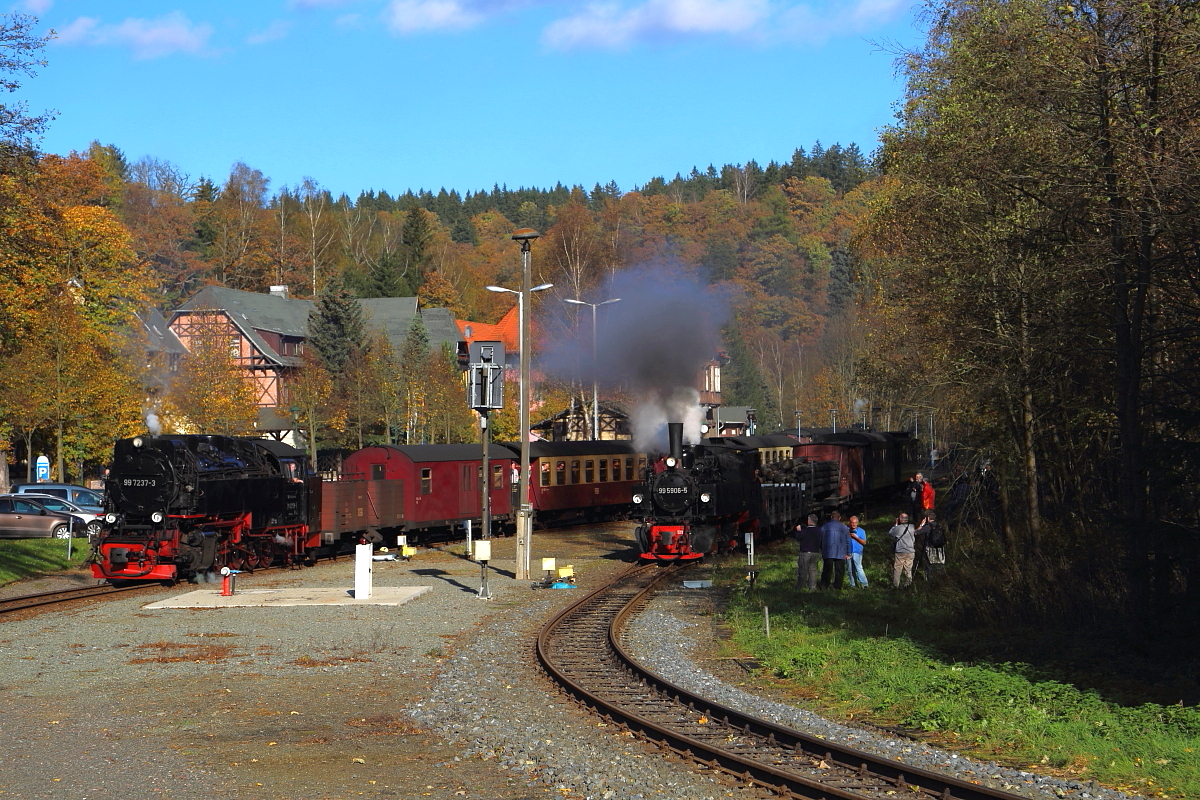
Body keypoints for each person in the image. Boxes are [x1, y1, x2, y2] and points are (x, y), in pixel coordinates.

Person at [819, 510, 850, 589]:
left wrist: (821, 549)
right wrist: (848, 552)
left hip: (828, 551)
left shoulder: (825, 526)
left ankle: (824, 586)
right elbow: (848, 541)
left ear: (831, 517)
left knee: (827, 570)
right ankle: (837, 586)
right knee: (839, 570)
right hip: (840, 552)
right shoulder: (844, 527)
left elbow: (820, 539)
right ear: (839, 518)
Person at [914, 510, 946, 581]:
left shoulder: (927, 527)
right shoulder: (939, 526)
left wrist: (921, 525)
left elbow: (915, 533)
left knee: (929, 564)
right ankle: (940, 581)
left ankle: (930, 580)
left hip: (930, 548)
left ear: (928, 518)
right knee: (939, 564)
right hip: (940, 549)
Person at [793, 514, 822, 591]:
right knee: (812, 571)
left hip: (805, 553)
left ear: (809, 521)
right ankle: (812, 587)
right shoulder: (819, 530)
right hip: (815, 552)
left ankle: (800, 587)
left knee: (802, 570)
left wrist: (798, 530)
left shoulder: (805, 530)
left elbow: (798, 538)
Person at [888, 512, 916, 588]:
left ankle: (896, 585)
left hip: (900, 551)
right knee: (908, 569)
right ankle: (908, 584)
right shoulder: (912, 527)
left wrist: (895, 524)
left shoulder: (898, 528)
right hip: (910, 551)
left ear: (900, 519)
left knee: (897, 569)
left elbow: (890, 533)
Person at [845, 514, 868, 588]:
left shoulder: (861, 531)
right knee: (849, 570)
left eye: (855, 522)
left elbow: (864, 542)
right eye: (852, 522)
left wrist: (856, 538)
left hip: (857, 552)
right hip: (848, 552)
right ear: (849, 523)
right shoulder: (846, 531)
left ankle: (864, 584)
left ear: (857, 523)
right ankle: (852, 585)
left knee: (858, 568)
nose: (853, 524)